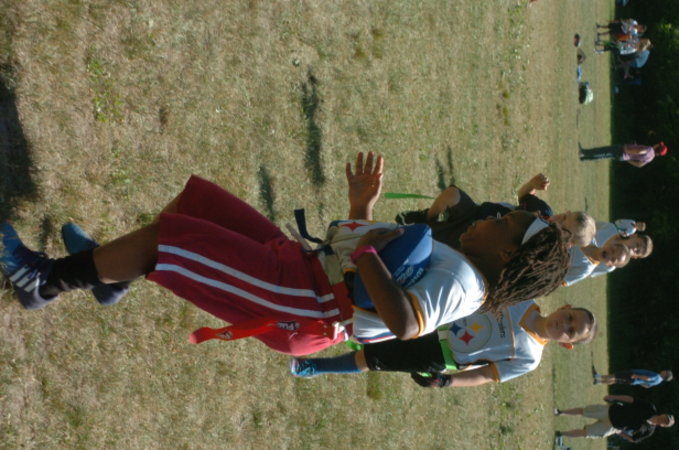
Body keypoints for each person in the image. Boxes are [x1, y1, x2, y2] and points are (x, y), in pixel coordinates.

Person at [0, 152, 571, 356]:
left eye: (503, 222)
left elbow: (402, 323)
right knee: (199, 205)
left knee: (164, 240)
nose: (490, 216)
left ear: (508, 254)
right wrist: (362, 208)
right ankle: (110, 277)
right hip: (306, 273)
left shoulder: (465, 285)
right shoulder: (462, 263)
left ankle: (42, 281)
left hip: (304, 302)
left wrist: (367, 254)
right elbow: (374, 264)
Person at [288, 302, 597, 388]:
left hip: (438, 354)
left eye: (571, 332)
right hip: (436, 318)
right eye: (570, 318)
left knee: (374, 359)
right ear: (565, 307)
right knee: (377, 322)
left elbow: (486, 374)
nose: (564, 325)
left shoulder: (530, 358)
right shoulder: (524, 301)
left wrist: (447, 381)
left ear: (567, 345)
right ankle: (311, 326)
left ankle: (313, 366)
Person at [395, 173, 596, 248]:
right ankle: (426, 217)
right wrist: (531, 184)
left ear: (568, 243)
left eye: (563, 224)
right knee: (451, 194)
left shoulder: (542, 245)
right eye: (565, 215)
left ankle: (424, 231)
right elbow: (522, 197)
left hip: (477, 236)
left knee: (428, 240)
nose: (558, 219)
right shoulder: (544, 210)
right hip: (476, 212)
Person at [555, 395, 675, 443]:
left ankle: (561, 434)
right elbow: (631, 400)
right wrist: (614, 397)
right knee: (583, 411)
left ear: (663, 426)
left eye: (666, 422)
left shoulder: (649, 430)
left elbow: (634, 439)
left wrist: (620, 433)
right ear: (663, 414)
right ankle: (560, 412)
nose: (664, 420)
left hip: (612, 428)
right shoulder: (650, 408)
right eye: (666, 418)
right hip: (610, 410)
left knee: (585, 433)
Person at [579, 142, 668, 168]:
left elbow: (641, 151)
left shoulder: (650, 149)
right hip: (623, 157)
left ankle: (584, 153)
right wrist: (628, 159)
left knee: (603, 151)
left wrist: (627, 150)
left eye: (659, 145)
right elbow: (639, 165)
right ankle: (585, 158)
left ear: (658, 147)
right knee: (603, 156)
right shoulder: (651, 158)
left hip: (622, 151)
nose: (657, 143)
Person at [594, 369, 673, 388]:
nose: (664, 370)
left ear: (665, 374)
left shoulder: (657, 376)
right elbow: (647, 386)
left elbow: (648, 379)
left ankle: (598, 377)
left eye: (665, 371)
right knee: (615, 381)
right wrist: (638, 382)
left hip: (633, 376)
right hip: (633, 382)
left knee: (615, 376)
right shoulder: (659, 381)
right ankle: (598, 382)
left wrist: (637, 376)